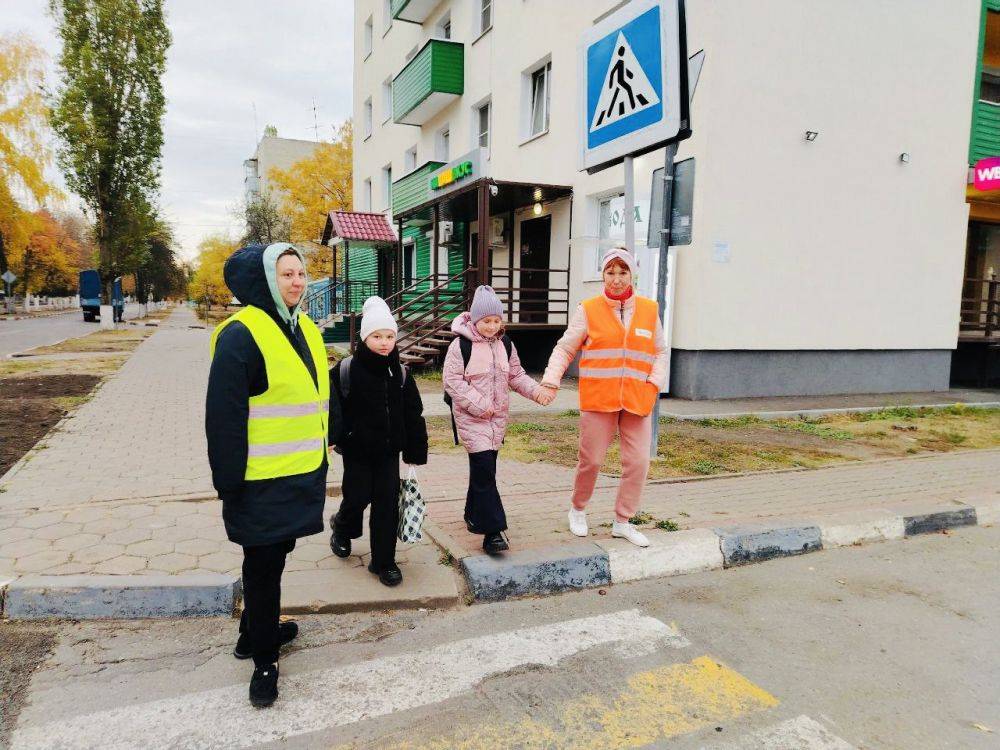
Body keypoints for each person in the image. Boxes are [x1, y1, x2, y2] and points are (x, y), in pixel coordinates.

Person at [206, 242, 339, 708]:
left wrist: (333, 436)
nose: (298, 282)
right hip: (256, 480)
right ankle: (264, 660)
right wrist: (228, 483)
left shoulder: (302, 325)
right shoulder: (240, 334)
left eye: (301, 273)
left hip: (298, 472)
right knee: (263, 569)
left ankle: (252, 632)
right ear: (265, 280)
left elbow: (317, 389)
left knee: (273, 558)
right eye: (287, 274)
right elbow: (223, 417)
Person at [537, 247, 668, 547]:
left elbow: (660, 352)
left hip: (638, 399)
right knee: (592, 460)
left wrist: (653, 384)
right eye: (611, 272)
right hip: (599, 400)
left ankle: (623, 520)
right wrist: (550, 380)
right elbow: (565, 348)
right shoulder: (589, 309)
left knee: (638, 463)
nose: (617, 279)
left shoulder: (649, 310)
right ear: (603, 275)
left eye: (623, 272)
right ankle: (578, 509)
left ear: (632, 274)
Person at [329, 296, 428, 586]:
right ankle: (342, 528)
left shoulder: (400, 372)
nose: (384, 342)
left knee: (386, 504)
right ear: (364, 337)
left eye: (389, 336)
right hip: (357, 450)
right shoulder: (346, 369)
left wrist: (414, 449)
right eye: (377, 336)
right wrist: (335, 436)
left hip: (388, 452)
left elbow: (414, 413)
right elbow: (332, 406)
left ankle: (383, 561)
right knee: (357, 497)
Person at [443, 285, 545, 554]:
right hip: (472, 420)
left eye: (496, 321)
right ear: (475, 319)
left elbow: (516, 375)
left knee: (484, 473)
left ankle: (473, 514)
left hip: (496, 423)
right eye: (486, 321)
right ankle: (493, 533)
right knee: (485, 471)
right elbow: (452, 383)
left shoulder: (505, 345)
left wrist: (537, 391)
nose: (492, 326)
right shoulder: (460, 346)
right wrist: (482, 406)